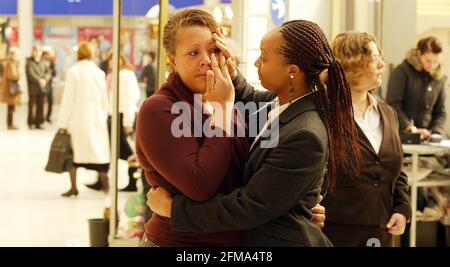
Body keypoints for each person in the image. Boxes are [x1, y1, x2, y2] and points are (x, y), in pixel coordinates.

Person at [144, 16, 361, 247]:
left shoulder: (303, 132)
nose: (256, 62)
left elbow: (250, 206)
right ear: (172, 59)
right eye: (193, 53)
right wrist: (231, 77)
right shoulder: (279, 105)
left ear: (292, 71)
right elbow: (251, 99)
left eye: (264, 58)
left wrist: (174, 210)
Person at [320, 32, 411, 247]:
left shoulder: (388, 113)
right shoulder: (323, 112)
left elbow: (395, 169)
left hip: (381, 234)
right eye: (373, 58)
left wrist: (402, 208)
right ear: (351, 65)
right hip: (333, 235)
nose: (382, 64)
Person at [57, 41, 110, 197]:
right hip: (96, 118)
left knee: (73, 154)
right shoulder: (99, 73)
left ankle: (74, 187)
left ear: (78, 54)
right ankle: (106, 186)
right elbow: (104, 99)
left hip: (78, 118)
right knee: (99, 153)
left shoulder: (74, 72)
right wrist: (103, 115)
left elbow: (68, 100)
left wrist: (62, 124)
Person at [85, 53, 141, 192]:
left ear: (123, 60)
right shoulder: (114, 76)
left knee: (127, 152)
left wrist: (128, 121)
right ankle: (101, 179)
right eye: (110, 60)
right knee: (108, 149)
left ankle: (133, 181)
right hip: (113, 115)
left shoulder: (126, 75)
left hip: (122, 117)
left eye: (116, 59)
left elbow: (130, 98)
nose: (112, 62)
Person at [386, 37, 448, 140]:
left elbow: (441, 112)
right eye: (428, 61)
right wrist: (410, 128)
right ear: (419, 54)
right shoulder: (401, 72)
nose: (432, 66)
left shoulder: (439, 78)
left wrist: (435, 132)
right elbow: (393, 104)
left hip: (428, 139)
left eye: (436, 61)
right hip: (401, 137)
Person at [26, 46, 49, 129]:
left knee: (41, 106)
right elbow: (30, 74)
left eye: (38, 51)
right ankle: (30, 122)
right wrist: (39, 80)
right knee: (31, 106)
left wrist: (45, 80)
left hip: (42, 87)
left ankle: (38, 123)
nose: (37, 53)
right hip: (33, 87)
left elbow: (48, 72)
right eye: (35, 51)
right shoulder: (29, 62)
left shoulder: (43, 62)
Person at [1, 49, 21, 130]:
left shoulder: (13, 64)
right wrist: (18, 76)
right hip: (10, 90)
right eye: (15, 55)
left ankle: (11, 123)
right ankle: (10, 124)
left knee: (11, 108)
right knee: (10, 108)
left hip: (11, 89)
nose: (16, 57)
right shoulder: (9, 64)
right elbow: (10, 76)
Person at [42, 49, 57, 123]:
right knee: (42, 102)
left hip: (49, 84)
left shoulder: (51, 63)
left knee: (50, 101)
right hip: (43, 84)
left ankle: (48, 117)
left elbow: (54, 73)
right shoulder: (41, 63)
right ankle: (42, 117)